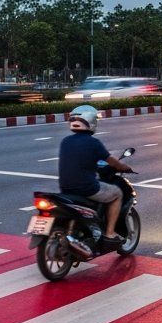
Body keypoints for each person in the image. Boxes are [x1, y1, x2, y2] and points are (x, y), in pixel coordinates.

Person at [58, 104, 134, 244]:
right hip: (87, 188)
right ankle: (110, 233)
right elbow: (112, 162)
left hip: (66, 189)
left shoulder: (65, 141)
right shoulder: (94, 143)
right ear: (91, 122)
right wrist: (124, 167)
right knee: (117, 193)